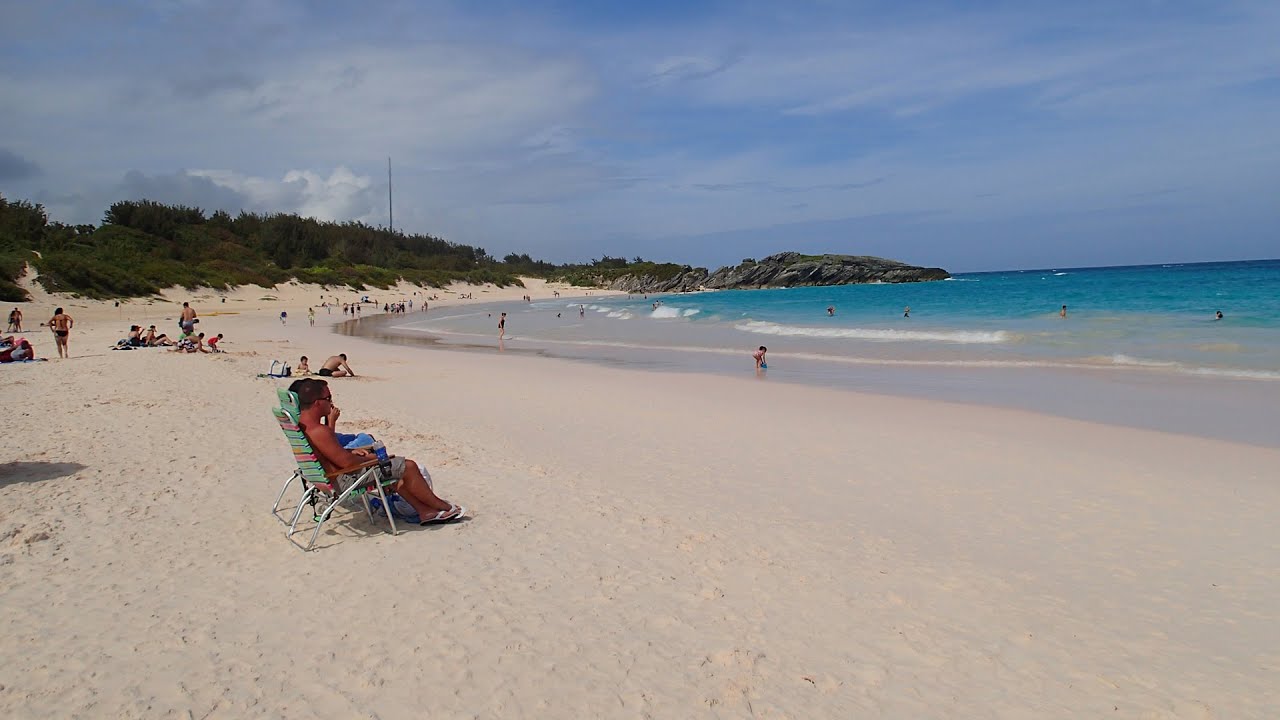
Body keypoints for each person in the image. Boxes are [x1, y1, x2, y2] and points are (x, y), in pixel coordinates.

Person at [287, 378, 464, 524]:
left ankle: (425, 511)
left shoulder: (302, 426)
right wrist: (373, 459)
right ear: (317, 403)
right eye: (328, 398)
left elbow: (332, 455)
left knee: (393, 471)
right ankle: (443, 506)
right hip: (344, 480)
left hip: (327, 478)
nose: (332, 402)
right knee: (408, 466)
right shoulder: (319, 431)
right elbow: (348, 464)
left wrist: (352, 453)